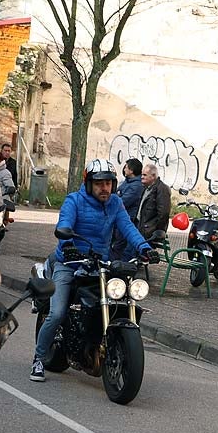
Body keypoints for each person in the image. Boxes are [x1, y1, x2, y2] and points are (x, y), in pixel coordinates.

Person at [30, 158, 160, 382]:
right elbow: (64, 226)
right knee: (58, 312)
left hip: (99, 264)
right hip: (68, 264)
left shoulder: (115, 204)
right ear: (89, 183)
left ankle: (103, 344)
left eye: (109, 183)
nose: (105, 188)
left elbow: (128, 227)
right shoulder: (74, 201)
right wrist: (68, 247)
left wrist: (144, 248)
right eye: (99, 183)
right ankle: (39, 359)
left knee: (117, 299)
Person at [111, 158, 143, 259]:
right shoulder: (127, 182)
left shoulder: (136, 186)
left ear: (131, 170)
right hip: (118, 218)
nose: (124, 169)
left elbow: (122, 201)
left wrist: (116, 197)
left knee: (120, 245)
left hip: (127, 218)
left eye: (126, 167)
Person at [133, 162, 171, 242]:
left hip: (149, 233)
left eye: (145, 175)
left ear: (153, 176)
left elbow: (163, 213)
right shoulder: (147, 188)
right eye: (142, 174)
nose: (142, 177)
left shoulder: (161, 189)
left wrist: (157, 231)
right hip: (140, 228)